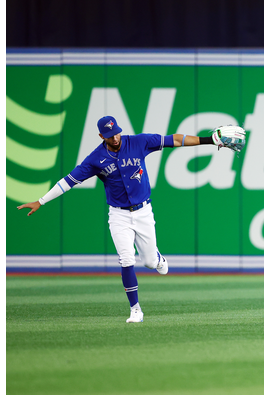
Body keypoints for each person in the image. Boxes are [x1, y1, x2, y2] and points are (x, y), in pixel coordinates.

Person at [18, 116, 226, 323]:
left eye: (116, 132)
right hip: (119, 215)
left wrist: (209, 140)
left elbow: (176, 140)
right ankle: (135, 309)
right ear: (101, 136)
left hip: (143, 212)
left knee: (150, 263)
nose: (115, 137)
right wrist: (41, 201)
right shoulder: (95, 159)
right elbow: (69, 181)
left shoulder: (138, 142)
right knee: (126, 259)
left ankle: (156, 258)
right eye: (109, 135)